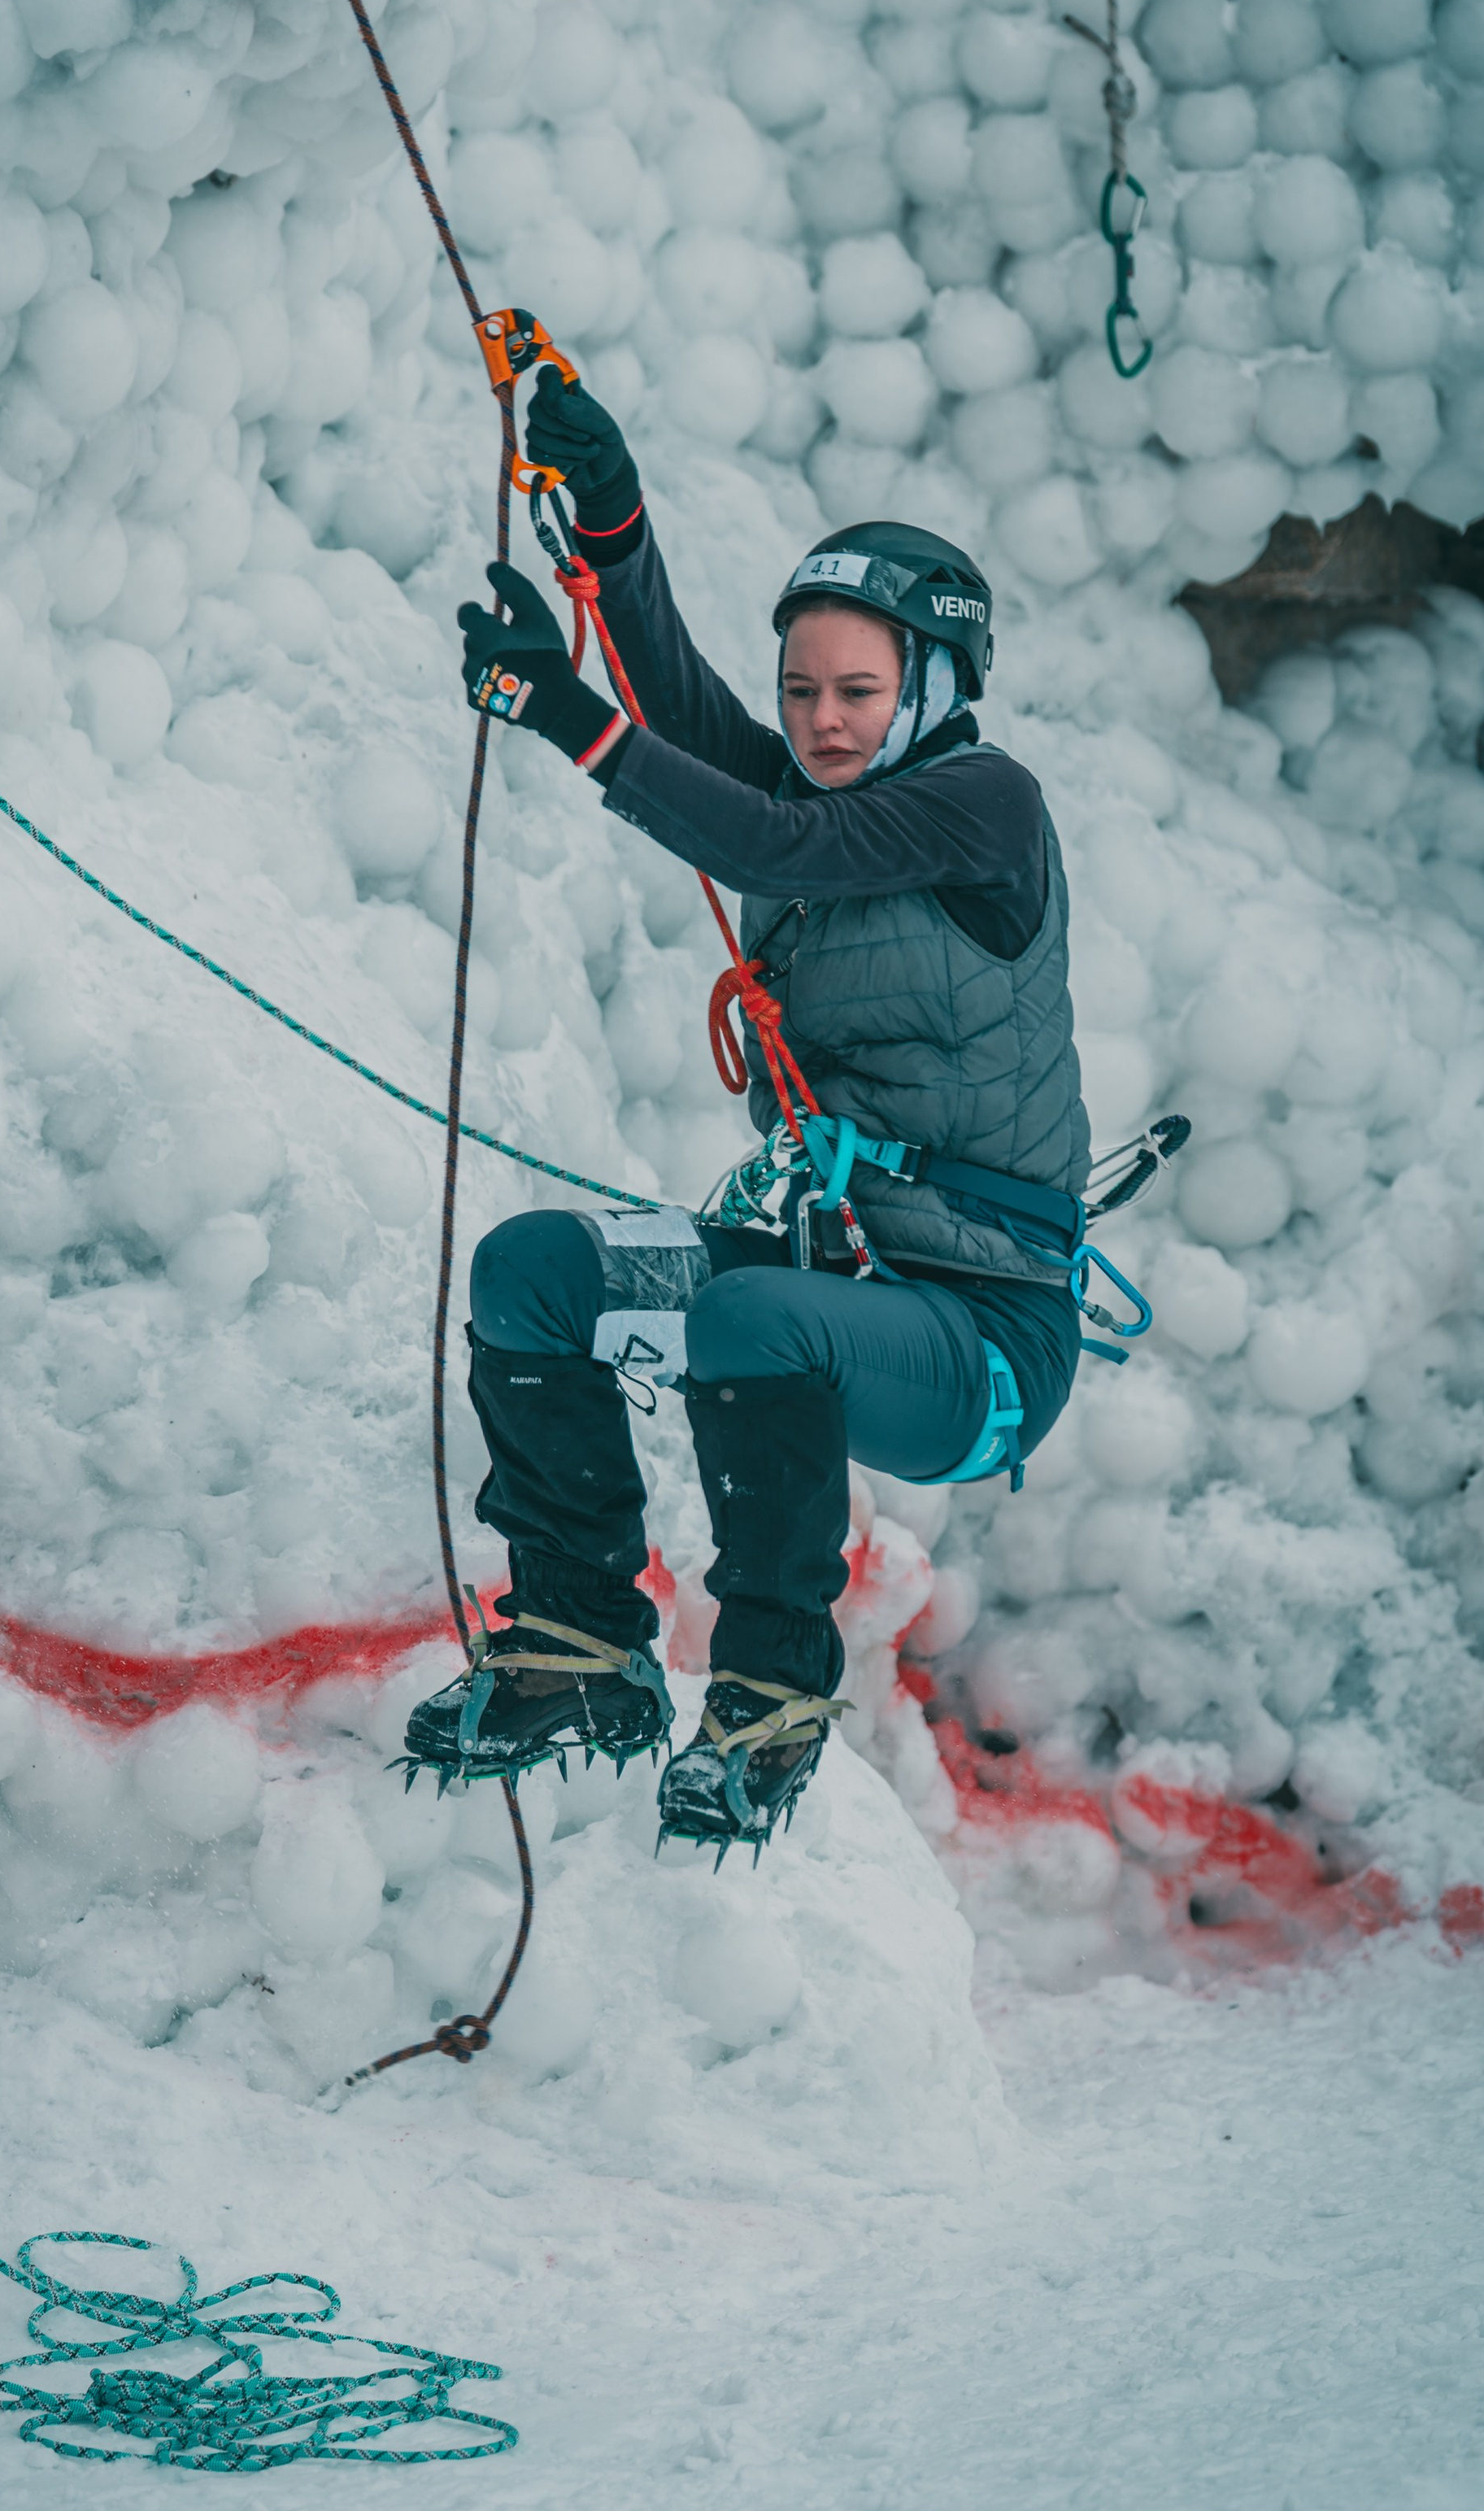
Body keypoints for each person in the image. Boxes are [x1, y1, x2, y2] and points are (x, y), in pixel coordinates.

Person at [402, 355, 1090, 1855]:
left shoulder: (988, 810)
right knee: (536, 1274)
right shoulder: (816, 797)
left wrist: (572, 721)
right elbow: (707, 742)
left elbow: (770, 832)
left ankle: (770, 1701)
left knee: (745, 1321)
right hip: (820, 1282)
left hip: (979, 1339)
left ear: (938, 692)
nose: (824, 721)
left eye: (860, 692)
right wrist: (616, 529)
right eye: (803, 693)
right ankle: (581, 1644)